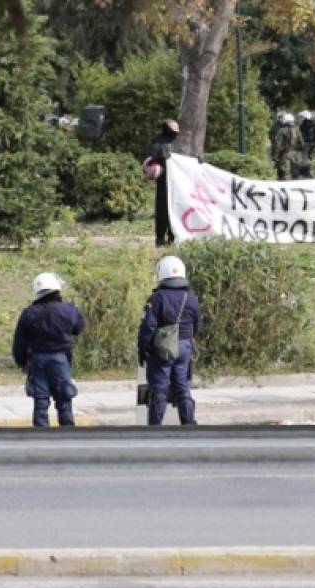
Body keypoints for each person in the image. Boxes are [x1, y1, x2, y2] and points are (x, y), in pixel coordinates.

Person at [11, 272, 86, 428]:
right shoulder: (68, 310)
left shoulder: (29, 313)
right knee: (64, 398)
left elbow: (19, 342)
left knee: (40, 400)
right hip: (61, 359)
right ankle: (68, 434)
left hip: (37, 360)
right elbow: (78, 328)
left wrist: (22, 362)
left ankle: (40, 436)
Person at [137, 255, 201, 426]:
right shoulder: (192, 298)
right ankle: (188, 423)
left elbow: (148, 327)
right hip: (185, 347)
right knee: (183, 388)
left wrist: (143, 351)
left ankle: (155, 427)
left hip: (163, 349)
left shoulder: (157, 298)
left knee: (159, 389)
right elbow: (197, 325)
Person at [144, 119, 181, 247]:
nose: (175, 133)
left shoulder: (179, 143)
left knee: (176, 209)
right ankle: (160, 238)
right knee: (163, 210)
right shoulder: (157, 143)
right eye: (173, 130)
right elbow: (149, 161)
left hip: (178, 183)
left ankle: (173, 235)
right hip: (164, 183)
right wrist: (161, 160)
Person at [270, 112, 306, 180]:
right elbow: (301, 142)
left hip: (285, 154)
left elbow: (277, 144)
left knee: (286, 174)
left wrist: (275, 156)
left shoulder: (282, 130)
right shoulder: (297, 129)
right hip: (296, 154)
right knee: (296, 173)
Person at [298, 110, 315, 177]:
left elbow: (300, 134)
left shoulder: (303, 125)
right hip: (312, 143)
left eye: (302, 117)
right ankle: (309, 172)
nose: (301, 118)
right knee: (309, 158)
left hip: (306, 143)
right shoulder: (313, 124)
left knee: (305, 158)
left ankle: (307, 172)